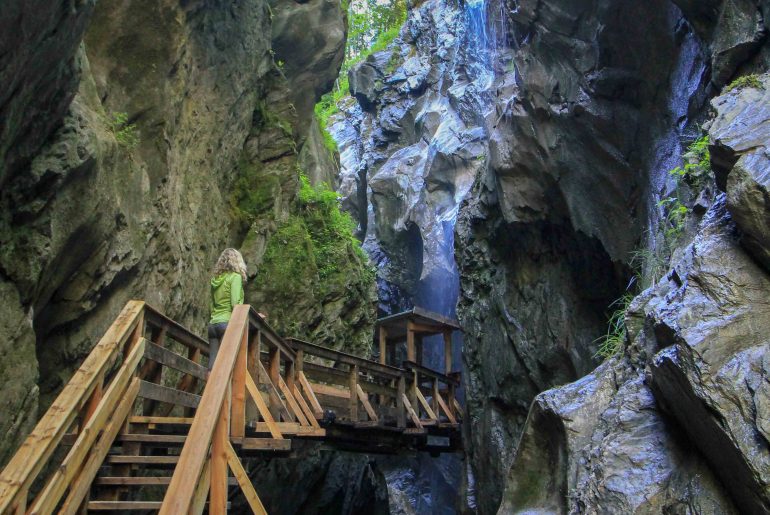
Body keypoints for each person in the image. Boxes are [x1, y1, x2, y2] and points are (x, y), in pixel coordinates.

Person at [208, 248, 247, 369]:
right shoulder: (235, 277)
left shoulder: (215, 280)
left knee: (212, 363)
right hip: (227, 323)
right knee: (228, 365)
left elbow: (212, 304)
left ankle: (209, 387)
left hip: (213, 324)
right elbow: (235, 304)